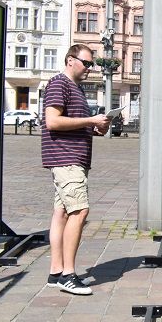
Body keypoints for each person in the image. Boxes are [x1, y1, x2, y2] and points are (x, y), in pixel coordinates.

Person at [42, 45, 110, 295]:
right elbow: (53, 121)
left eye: (92, 64)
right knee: (80, 211)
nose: (90, 68)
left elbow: (70, 123)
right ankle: (69, 275)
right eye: (86, 63)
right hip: (66, 159)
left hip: (72, 157)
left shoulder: (75, 88)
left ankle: (56, 271)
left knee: (61, 213)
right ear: (71, 61)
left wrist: (95, 128)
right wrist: (91, 120)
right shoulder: (60, 84)